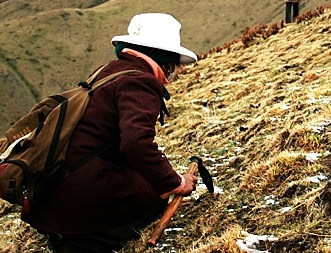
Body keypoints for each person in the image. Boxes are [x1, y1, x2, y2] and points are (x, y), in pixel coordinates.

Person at [22, 13, 199, 253]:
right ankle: (92, 238)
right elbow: (136, 144)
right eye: (175, 65)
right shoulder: (140, 81)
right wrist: (176, 182)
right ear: (165, 60)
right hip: (82, 194)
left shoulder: (107, 72)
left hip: (52, 194)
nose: (174, 73)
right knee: (155, 193)